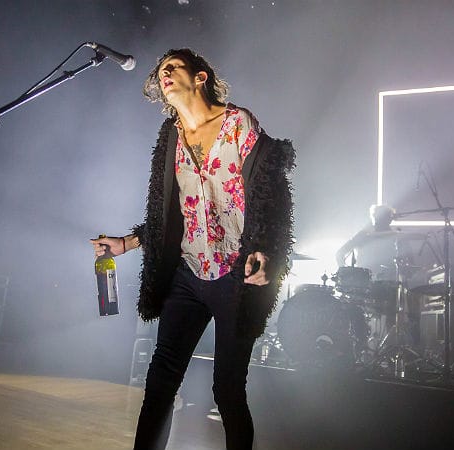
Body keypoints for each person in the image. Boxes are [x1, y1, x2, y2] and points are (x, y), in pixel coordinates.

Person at [91, 48, 295, 450]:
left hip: (234, 274)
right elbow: (168, 214)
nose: (164, 74)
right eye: (160, 71)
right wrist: (127, 243)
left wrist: (267, 250)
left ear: (200, 77)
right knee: (160, 381)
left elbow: (274, 195)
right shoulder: (170, 136)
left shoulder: (238, 123)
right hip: (187, 273)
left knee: (228, 390)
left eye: (173, 67)